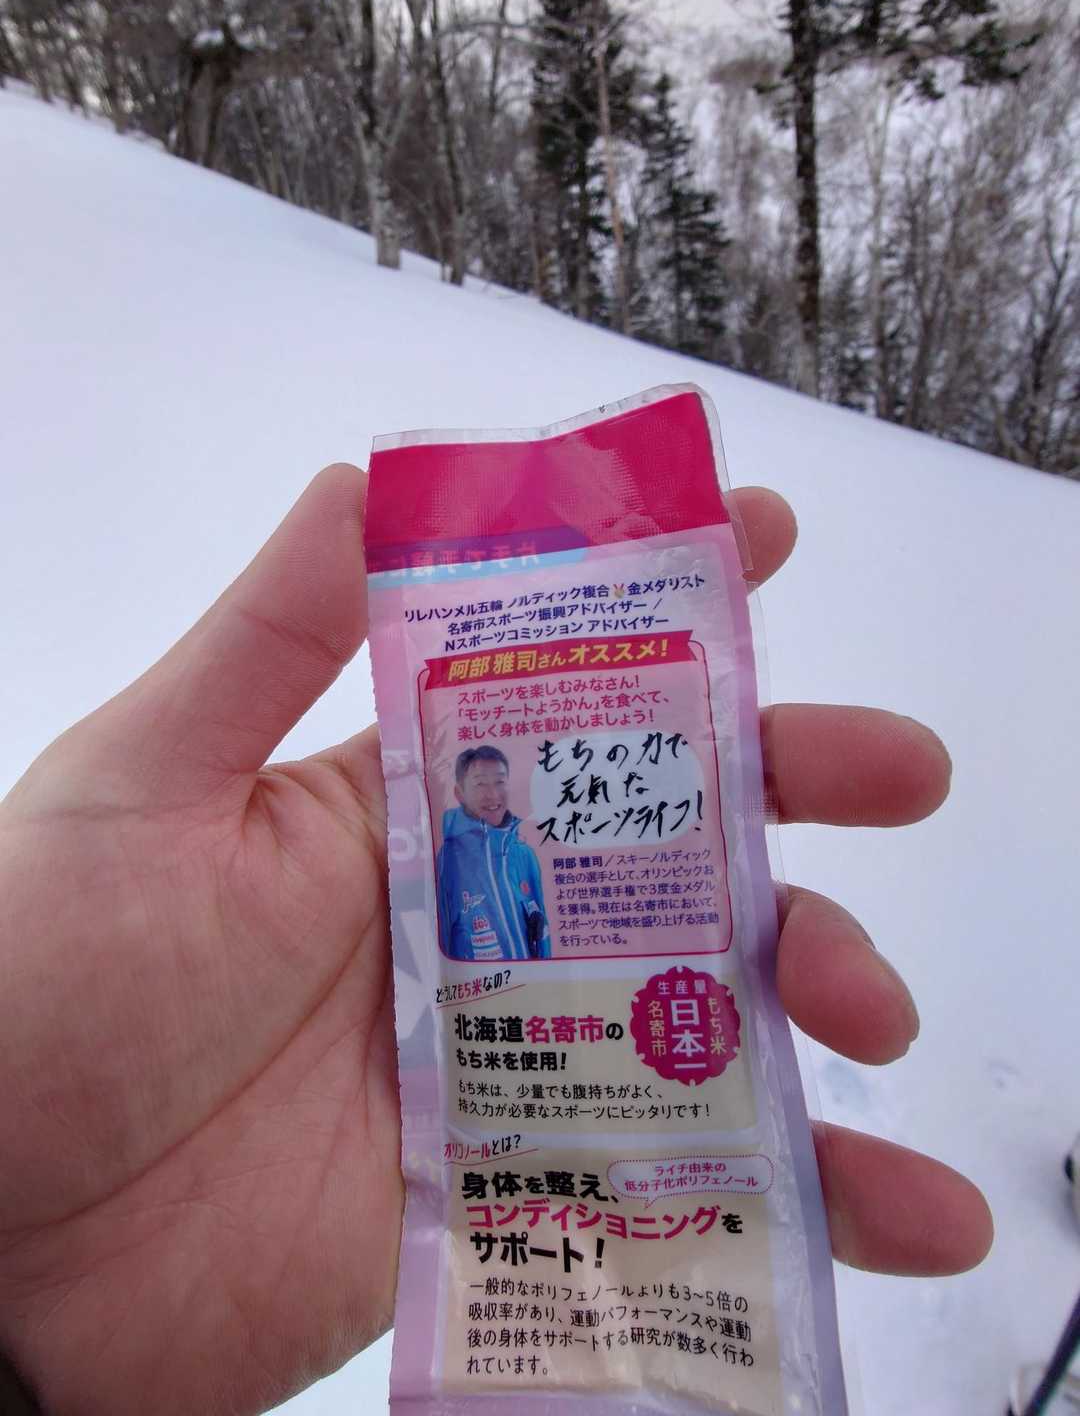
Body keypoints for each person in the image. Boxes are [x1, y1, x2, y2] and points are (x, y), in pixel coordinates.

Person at [0, 466, 994, 1416]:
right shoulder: (443, 844)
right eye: (473, 779)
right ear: (460, 787)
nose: (486, 790)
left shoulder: (520, 849)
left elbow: (538, 921)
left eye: (494, 781)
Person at [436, 745, 551, 961]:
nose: (493, 794)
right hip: (482, 981)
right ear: (460, 793)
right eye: (480, 784)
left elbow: (541, 929)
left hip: (531, 979)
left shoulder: (524, 854)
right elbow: (441, 937)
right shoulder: (448, 858)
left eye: (500, 782)